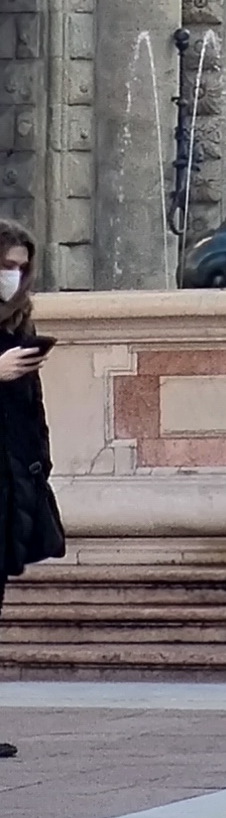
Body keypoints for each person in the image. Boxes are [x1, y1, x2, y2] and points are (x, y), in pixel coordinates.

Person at [0, 223, 62, 759]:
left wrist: (41, 464)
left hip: (10, 480)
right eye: (5, 265)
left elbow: (30, 409)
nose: (12, 276)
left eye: (21, 267)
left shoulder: (20, 323)